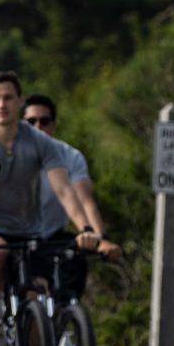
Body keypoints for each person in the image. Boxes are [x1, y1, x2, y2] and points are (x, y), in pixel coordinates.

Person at [0, 73, 100, 346]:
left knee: (35, 303)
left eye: (8, 98)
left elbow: (65, 191)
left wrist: (86, 229)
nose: (2, 104)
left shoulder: (41, 143)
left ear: (20, 101)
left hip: (28, 231)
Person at [24, 94, 122, 265]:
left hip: (53, 236)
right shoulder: (8, 153)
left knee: (76, 265)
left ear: (54, 125)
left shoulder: (70, 156)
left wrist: (100, 238)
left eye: (44, 121)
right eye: (31, 122)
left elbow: (85, 200)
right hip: (16, 236)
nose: (38, 127)